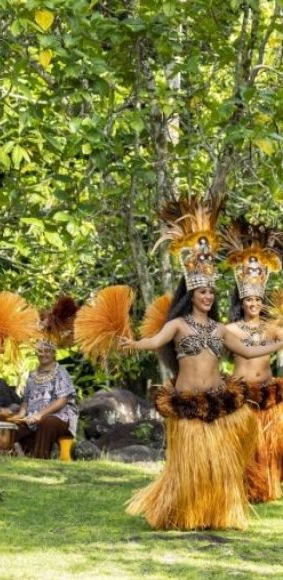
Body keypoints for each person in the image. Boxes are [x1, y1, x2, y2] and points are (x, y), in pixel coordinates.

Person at [120, 194, 282, 530]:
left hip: (217, 401)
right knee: (188, 467)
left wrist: (280, 341)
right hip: (186, 404)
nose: (208, 297)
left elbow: (251, 351)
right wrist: (133, 343)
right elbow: (155, 341)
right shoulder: (178, 325)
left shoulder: (220, 328)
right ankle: (182, 512)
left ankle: (214, 512)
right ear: (190, 295)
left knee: (216, 466)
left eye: (211, 292)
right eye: (202, 292)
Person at [223, 218, 283, 503]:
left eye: (258, 301)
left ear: (263, 302)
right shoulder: (230, 329)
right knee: (242, 443)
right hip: (241, 392)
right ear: (242, 302)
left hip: (268, 392)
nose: (254, 305)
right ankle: (242, 485)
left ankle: (266, 485)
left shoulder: (273, 328)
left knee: (265, 445)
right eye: (249, 301)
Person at [4, 341, 78, 459]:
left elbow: (62, 400)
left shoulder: (61, 373)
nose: (43, 354)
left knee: (47, 422)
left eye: (47, 351)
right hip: (33, 417)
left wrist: (40, 415)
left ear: (54, 353)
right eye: (40, 351)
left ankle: (40, 457)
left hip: (59, 418)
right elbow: (26, 400)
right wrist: (21, 414)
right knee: (9, 423)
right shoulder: (32, 375)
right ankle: (17, 454)